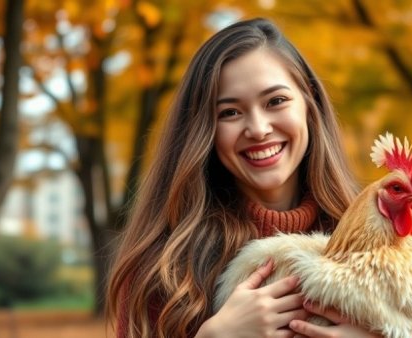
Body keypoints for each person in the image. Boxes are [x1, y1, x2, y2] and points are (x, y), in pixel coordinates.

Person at [107, 17, 380, 338]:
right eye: (230, 112)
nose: (258, 129)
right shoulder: (165, 269)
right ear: (204, 129)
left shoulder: (379, 243)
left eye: (276, 101)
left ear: (309, 102)